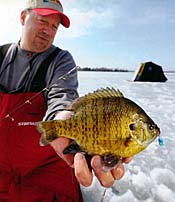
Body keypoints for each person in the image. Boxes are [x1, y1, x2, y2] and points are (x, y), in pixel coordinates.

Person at [0, 0, 132, 201]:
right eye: (43, 21)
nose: (48, 30)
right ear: (23, 17)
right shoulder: (1, 56)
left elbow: (64, 95)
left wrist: (60, 119)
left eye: (54, 26)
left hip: (48, 168)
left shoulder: (61, 60)